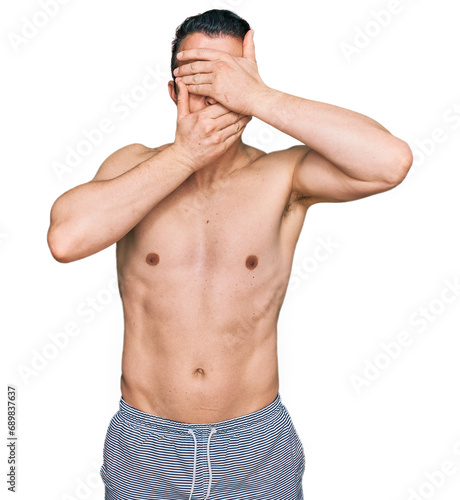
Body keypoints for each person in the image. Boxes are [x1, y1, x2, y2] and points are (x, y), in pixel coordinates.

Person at [47, 8, 413, 500]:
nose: (217, 98)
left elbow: (390, 162)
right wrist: (184, 155)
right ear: (173, 91)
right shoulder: (133, 165)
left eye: (229, 81)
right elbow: (66, 240)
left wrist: (259, 96)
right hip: (146, 444)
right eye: (202, 81)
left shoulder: (282, 177)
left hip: (256, 444)